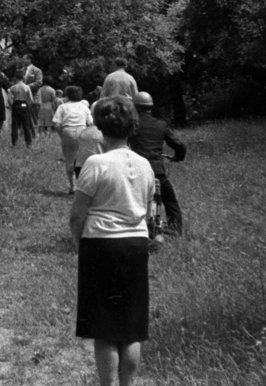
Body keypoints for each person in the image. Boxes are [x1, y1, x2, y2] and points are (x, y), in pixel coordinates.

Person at [70, 96, 155, 386]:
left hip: (102, 243)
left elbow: (76, 215)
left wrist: (79, 244)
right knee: (131, 327)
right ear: (132, 126)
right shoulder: (145, 165)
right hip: (136, 244)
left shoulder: (96, 163)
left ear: (99, 126)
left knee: (105, 327)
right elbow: (147, 208)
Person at [128, 92, 187, 235]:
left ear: (135, 107)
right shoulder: (160, 125)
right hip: (157, 170)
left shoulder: (131, 125)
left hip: (136, 170)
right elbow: (180, 145)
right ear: (151, 107)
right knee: (170, 200)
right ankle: (175, 229)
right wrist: (178, 157)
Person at [53, 84, 96, 189]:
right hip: (82, 131)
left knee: (69, 160)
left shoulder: (62, 107)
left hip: (68, 131)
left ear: (67, 95)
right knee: (82, 159)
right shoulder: (84, 107)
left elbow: (57, 124)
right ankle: (83, 184)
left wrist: (62, 135)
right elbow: (90, 123)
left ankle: (72, 186)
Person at [9, 76, 35, 148]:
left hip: (16, 104)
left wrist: (12, 107)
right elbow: (31, 100)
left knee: (15, 125)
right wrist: (27, 107)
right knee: (26, 126)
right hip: (24, 104)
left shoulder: (13, 87)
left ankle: (14, 143)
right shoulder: (26, 87)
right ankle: (28, 144)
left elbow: (9, 99)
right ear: (23, 78)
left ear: (15, 78)